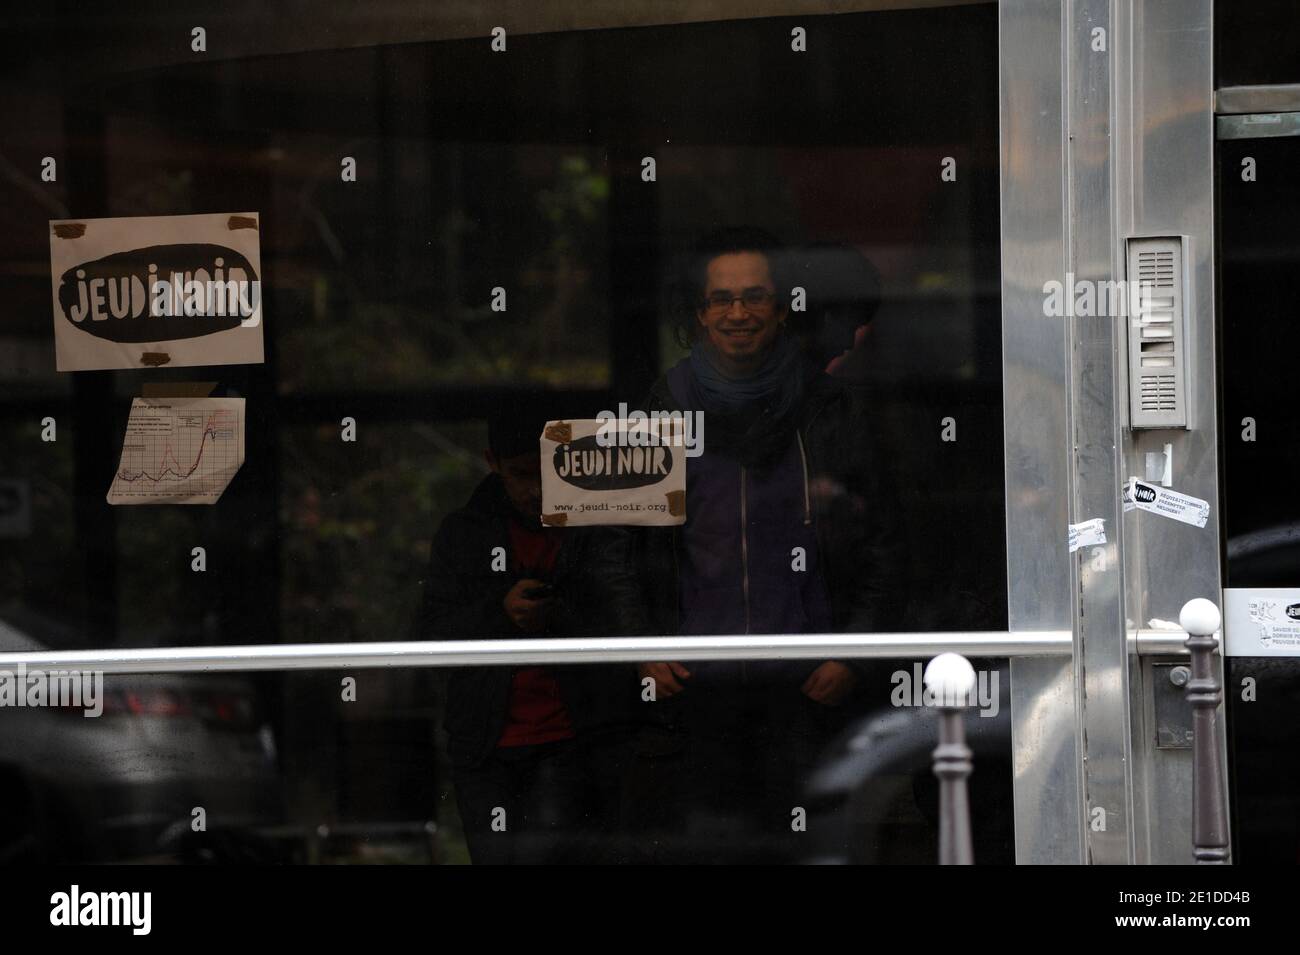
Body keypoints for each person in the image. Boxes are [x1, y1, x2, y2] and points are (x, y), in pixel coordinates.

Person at [601, 227, 907, 863]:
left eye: (753, 297)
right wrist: (642, 653)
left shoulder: (830, 409)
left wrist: (852, 654)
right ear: (700, 315)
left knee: (800, 847)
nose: (736, 312)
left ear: (780, 307)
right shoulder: (661, 410)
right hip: (693, 691)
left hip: (803, 688)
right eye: (721, 300)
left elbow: (884, 544)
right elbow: (616, 549)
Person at [414, 412, 635, 864]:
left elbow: (619, 614)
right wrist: (502, 612)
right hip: (487, 744)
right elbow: (433, 633)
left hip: (568, 737)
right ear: (492, 463)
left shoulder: (592, 526)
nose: (535, 489)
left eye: (544, 473)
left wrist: (558, 614)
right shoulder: (465, 534)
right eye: (520, 475)